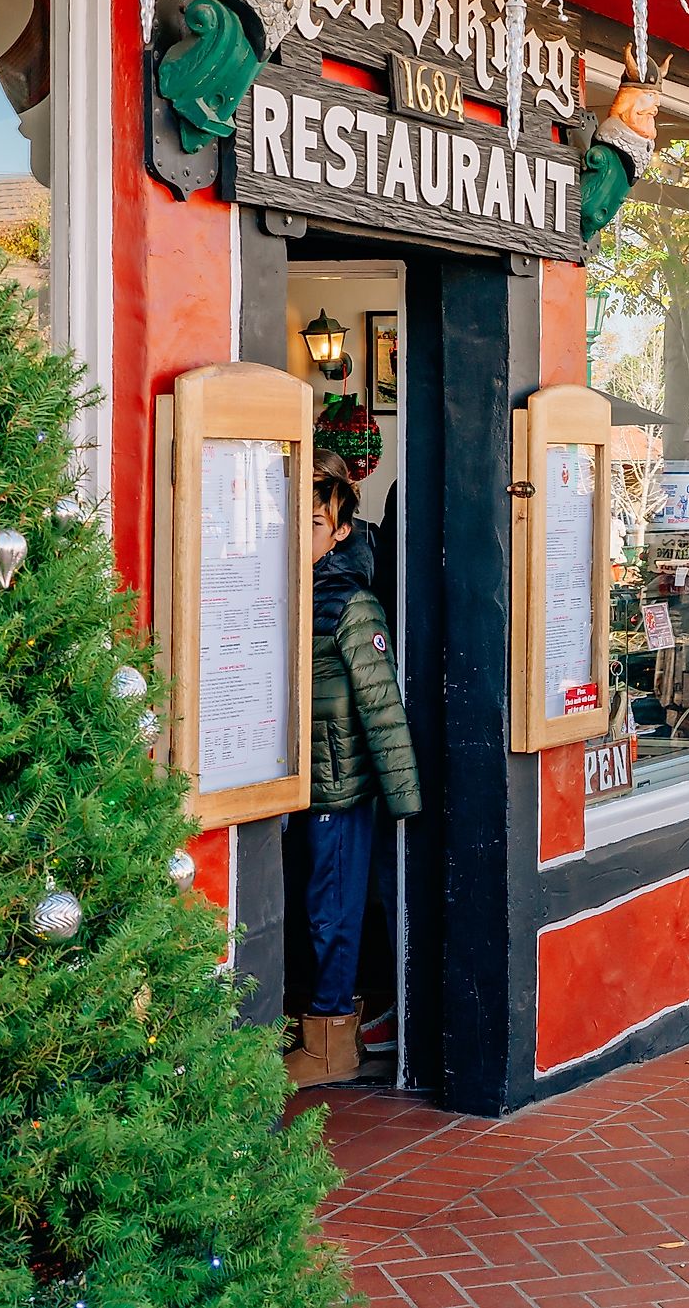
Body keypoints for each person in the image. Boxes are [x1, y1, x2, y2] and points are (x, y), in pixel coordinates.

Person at [288, 458, 422, 1088]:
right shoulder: (291, 586)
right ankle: (322, 1023)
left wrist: (403, 797)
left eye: (315, 522)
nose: (303, 532)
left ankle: (331, 1040)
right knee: (317, 904)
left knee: (331, 909)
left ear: (341, 530)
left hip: (336, 784)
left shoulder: (353, 602)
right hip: (298, 779)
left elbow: (381, 704)